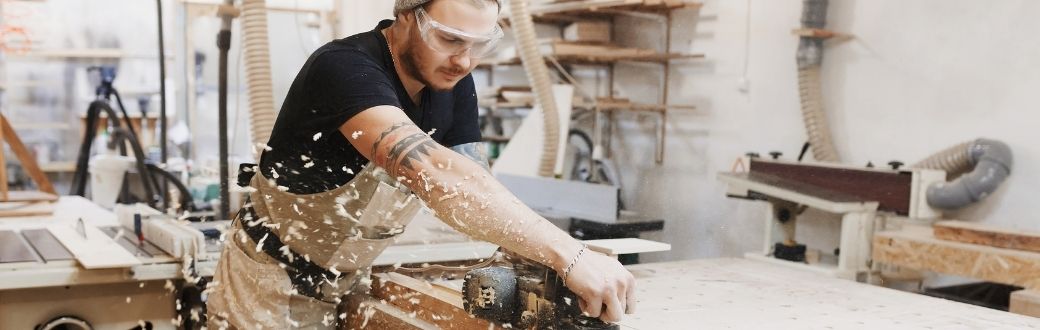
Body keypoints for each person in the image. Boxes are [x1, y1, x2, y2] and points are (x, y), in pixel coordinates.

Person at [206, 0, 636, 328]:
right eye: (449, 40)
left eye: (478, 45)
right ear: (405, 15)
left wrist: (538, 260)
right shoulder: (343, 68)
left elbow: (475, 183)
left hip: (348, 276)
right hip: (266, 276)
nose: (464, 61)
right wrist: (571, 255)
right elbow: (435, 174)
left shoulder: (453, 83)